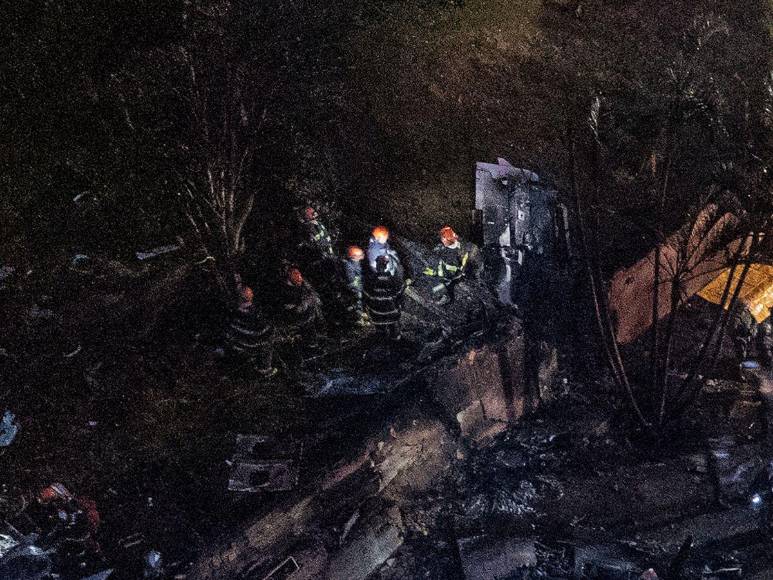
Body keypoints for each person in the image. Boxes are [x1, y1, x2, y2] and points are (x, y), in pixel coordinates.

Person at [225, 285, 277, 378]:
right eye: (251, 293)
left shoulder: (232, 312)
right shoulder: (257, 313)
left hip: (238, 346)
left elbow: (229, 332)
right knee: (269, 343)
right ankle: (265, 369)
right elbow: (265, 332)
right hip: (253, 346)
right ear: (250, 297)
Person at [422, 226, 481, 305]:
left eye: (443, 239)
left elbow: (449, 272)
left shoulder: (451, 256)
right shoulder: (462, 245)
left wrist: (434, 273)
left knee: (434, 285)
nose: (442, 240)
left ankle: (445, 296)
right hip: (459, 271)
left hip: (453, 276)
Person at [364, 254, 405, 340]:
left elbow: (367, 296)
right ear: (386, 266)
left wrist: (369, 307)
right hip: (391, 312)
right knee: (393, 329)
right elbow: (399, 294)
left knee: (380, 331)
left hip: (376, 313)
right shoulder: (392, 280)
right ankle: (395, 342)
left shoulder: (371, 280)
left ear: (377, 265)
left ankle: (382, 341)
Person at [282, 267, 324, 348]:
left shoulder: (303, 283)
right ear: (289, 276)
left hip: (310, 310)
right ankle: (311, 342)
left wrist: (313, 298)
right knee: (309, 320)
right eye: (295, 274)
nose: (299, 276)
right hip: (298, 316)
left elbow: (312, 292)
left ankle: (320, 334)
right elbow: (294, 309)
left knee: (316, 308)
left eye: (299, 273)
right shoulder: (286, 290)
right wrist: (305, 303)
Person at [343, 245, 369, 326]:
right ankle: (358, 319)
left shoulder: (356, 263)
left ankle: (361, 314)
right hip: (354, 289)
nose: (362, 257)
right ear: (353, 257)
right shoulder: (348, 266)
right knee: (357, 301)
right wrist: (357, 289)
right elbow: (351, 281)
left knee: (361, 301)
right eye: (360, 255)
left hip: (358, 287)